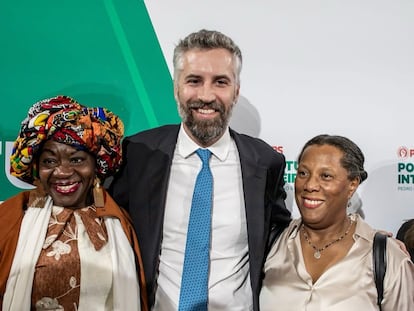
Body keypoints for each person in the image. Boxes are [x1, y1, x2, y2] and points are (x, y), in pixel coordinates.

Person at [108, 29, 291, 310]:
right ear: (176, 87)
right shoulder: (138, 154)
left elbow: (282, 235)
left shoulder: (265, 162)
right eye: (194, 81)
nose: (206, 95)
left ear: (236, 91)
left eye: (220, 82)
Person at [0, 95, 148, 311]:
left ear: (96, 165)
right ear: (37, 169)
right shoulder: (13, 217)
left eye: (77, 159)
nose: (63, 172)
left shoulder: (119, 222)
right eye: (49, 161)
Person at [260, 134, 414, 310]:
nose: (310, 185)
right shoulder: (269, 243)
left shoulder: (387, 257)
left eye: (325, 176)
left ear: (352, 184)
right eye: (303, 173)